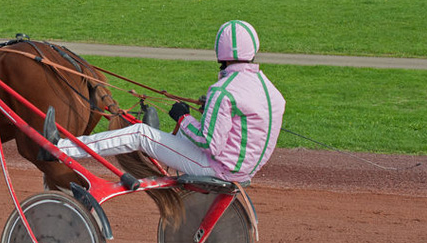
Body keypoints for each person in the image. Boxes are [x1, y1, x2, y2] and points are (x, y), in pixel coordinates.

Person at [41, 20, 286, 183]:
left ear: (219, 52)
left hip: (217, 169)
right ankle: (157, 145)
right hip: (245, 170)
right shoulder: (272, 92)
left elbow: (208, 143)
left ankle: (62, 149)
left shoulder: (223, 91)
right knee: (165, 137)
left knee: (139, 134)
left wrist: (183, 117)